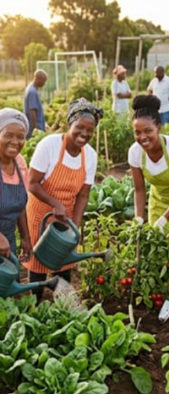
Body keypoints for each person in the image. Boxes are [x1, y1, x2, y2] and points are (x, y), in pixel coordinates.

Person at [24, 98, 101, 293]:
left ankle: (62, 308)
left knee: (64, 264)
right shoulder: (49, 145)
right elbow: (32, 183)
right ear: (70, 123)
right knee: (38, 263)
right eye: (80, 127)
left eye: (90, 130)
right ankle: (35, 303)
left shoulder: (90, 155)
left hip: (65, 215)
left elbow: (83, 195)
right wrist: (54, 203)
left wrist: (75, 226)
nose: (84, 134)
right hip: (40, 213)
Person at [129, 95, 169, 233]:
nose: (143, 137)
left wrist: (165, 218)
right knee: (156, 247)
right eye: (137, 132)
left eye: (148, 131)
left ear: (158, 128)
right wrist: (138, 217)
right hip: (157, 204)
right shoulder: (135, 152)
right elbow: (139, 190)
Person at [0, 108, 32, 261]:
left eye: (20, 137)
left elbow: (20, 204)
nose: (15, 142)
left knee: (10, 284)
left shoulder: (19, 163)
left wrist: (25, 237)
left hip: (8, 242)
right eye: (8, 135)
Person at [23, 70, 47, 138]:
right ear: (38, 79)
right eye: (44, 81)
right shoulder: (32, 92)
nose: (44, 83)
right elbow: (32, 111)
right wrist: (36, 129)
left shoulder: (31, 88)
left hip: (36, 127)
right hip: (34, 128)